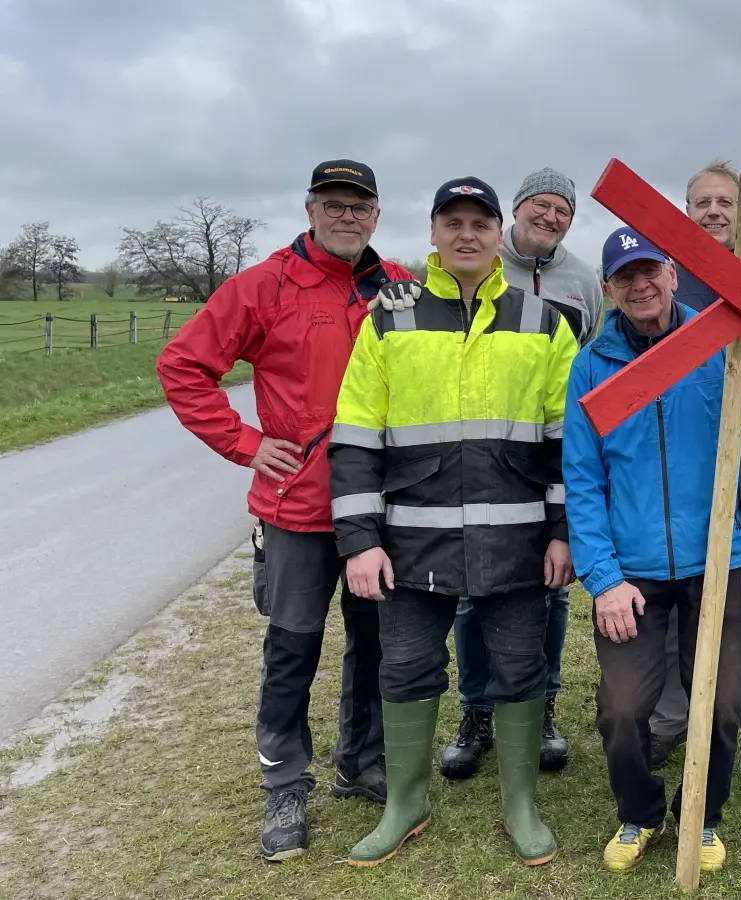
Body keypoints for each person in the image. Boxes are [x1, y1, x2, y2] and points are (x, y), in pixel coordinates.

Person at [156, 159, 410, 862]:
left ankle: (362, 762)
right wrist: (244, 441)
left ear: (377, 216)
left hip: (382, 511)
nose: (347, 217)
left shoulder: (398, 290)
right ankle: (285, 783)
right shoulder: (263, 287)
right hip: (299, 509)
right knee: (293, 646)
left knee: (377, 647)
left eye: (360, 207)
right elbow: (183, 366)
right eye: (334, 205)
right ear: (310, 209)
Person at [328, 176, 579, 867]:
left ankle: (518, 804)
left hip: (520, 542)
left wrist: (563, 533)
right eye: (453, 222)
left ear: (500, 237)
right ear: (433, 234)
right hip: (412, 543)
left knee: (521, 670)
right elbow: (354, 437)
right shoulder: (389, 318)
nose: (467, 234)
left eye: (480, 223)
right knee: (407, 669)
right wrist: (358, 542)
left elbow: (568, 443)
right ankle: (405, 802)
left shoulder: (544, 321)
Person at [564, 226, 741, 873]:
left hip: (718, 561)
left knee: (718, 705)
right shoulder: (591, 366)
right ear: (609, 289)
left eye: (650, 270)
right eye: (626, 276)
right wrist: (603, 578)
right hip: (630, 573)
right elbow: (582, 479)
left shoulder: (719, 349)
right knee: (624, 710)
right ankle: (640, 813)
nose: (641, 284)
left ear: (673, 274)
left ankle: (702, 817)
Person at [439, 166, 603, 780]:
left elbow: (589, 367)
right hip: (475, 461)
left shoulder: (584, 281)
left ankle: (542, 706)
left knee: (550, 587)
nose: (550, 216)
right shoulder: (481, 263)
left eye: (562, 209)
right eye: (540, 204)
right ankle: (477, 710)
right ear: (516, 211)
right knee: (468, 594)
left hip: (547, 459)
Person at [649, 157, 741, 779]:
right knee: (671, 589)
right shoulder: (662, 275)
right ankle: (672, 714)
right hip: (676, 468)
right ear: (685, 212)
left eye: (725, 203)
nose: (714, 212)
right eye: (703, 203)